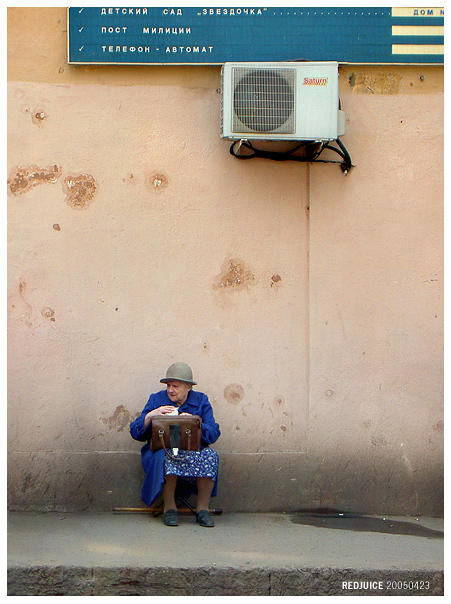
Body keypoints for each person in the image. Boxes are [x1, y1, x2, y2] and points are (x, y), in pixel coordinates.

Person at [130, 362, 220, 527]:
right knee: (167, 456)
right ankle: (169, 508)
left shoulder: (201, 400)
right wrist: (150, 416)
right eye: (168, 386)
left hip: (192, 450)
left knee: (211, 456)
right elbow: (136, 432)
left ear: (187, 387)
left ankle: (203, 509)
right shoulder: (156, 399)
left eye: (175, 386)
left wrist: (194, 421)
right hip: (163, 450)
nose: (170, 390)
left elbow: (213, 433)